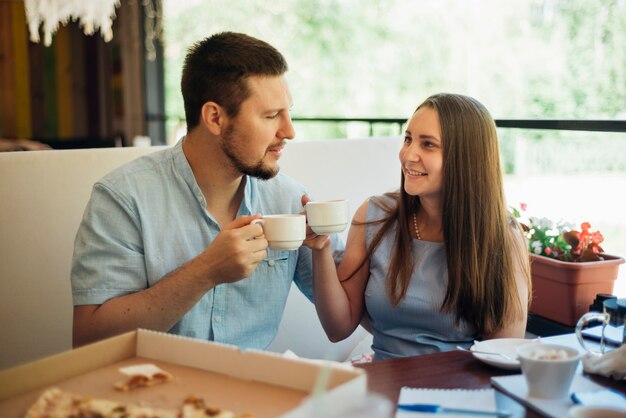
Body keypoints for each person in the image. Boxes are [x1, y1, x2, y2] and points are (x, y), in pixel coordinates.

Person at [71, 32, 340, 348]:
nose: (289, 131)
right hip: (152, 390)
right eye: (270, 116)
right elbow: (89, 339)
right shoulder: (122, 198)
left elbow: (345, 313)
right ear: (215, 117)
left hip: (254, 389)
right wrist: (205, 272)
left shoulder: (289, 199)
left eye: (288, 112)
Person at [311, 93, 531, 361]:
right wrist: (320, 248)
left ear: (466, 158)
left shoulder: (503, 237)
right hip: (382, 385)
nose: (407, 155)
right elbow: (338, 328)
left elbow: (504, 354)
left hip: (459, 392)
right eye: (408, 139)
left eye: (427, 144)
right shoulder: (373, 217)